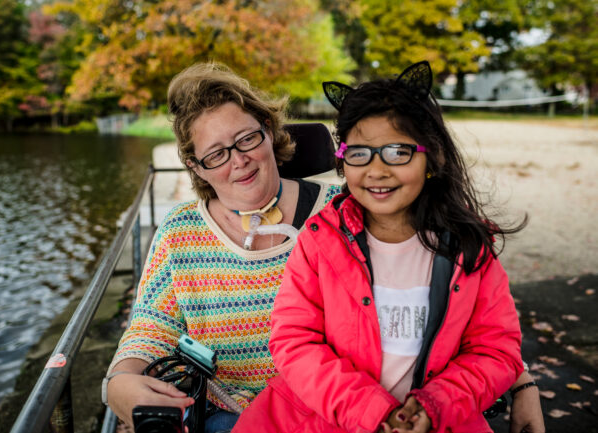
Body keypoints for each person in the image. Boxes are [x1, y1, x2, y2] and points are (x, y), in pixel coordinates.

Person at [232, 61, 542, 433]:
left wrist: (435, 406)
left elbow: (496, 349)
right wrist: (371, 411)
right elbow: (294, 341)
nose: (376, 170)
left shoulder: (469, 248)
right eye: (359, 153)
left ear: (433, 158)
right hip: (322, 420)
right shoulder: (319, 241)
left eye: (397, 152)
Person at [103, 62, 340, 433]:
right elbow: (152, 327)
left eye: (247, 139)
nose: (238, 160)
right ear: (198, 168)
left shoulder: (341, 212)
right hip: (226, 416)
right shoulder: (181, 231)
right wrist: (120, 382)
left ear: (269, 130)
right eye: (216, 154)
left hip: (330, 408)